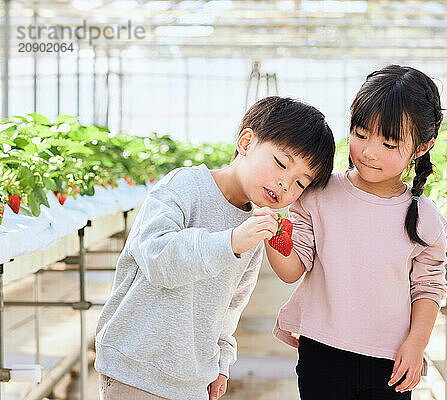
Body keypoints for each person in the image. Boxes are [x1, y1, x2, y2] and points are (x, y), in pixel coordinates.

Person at [94, 96, 336, 400]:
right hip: (136, 369)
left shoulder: (251, 226)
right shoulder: (184, 187)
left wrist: (222, 360)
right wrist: (230, 242)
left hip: (192, 380)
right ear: (246, 142)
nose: (286, 184)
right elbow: (156, 257)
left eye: (301, 183)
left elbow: (231, 304)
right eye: (281, 163)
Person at [264, 65, 447, 399]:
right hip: (322, 353)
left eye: (390, 143)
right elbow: (292, 270)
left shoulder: (425, 218)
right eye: (361, 134)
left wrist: (417, 343)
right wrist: (271, 227)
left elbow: (428, 287)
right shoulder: (318, 195)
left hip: (390, 362)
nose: (369, 151)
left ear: (422, 147)